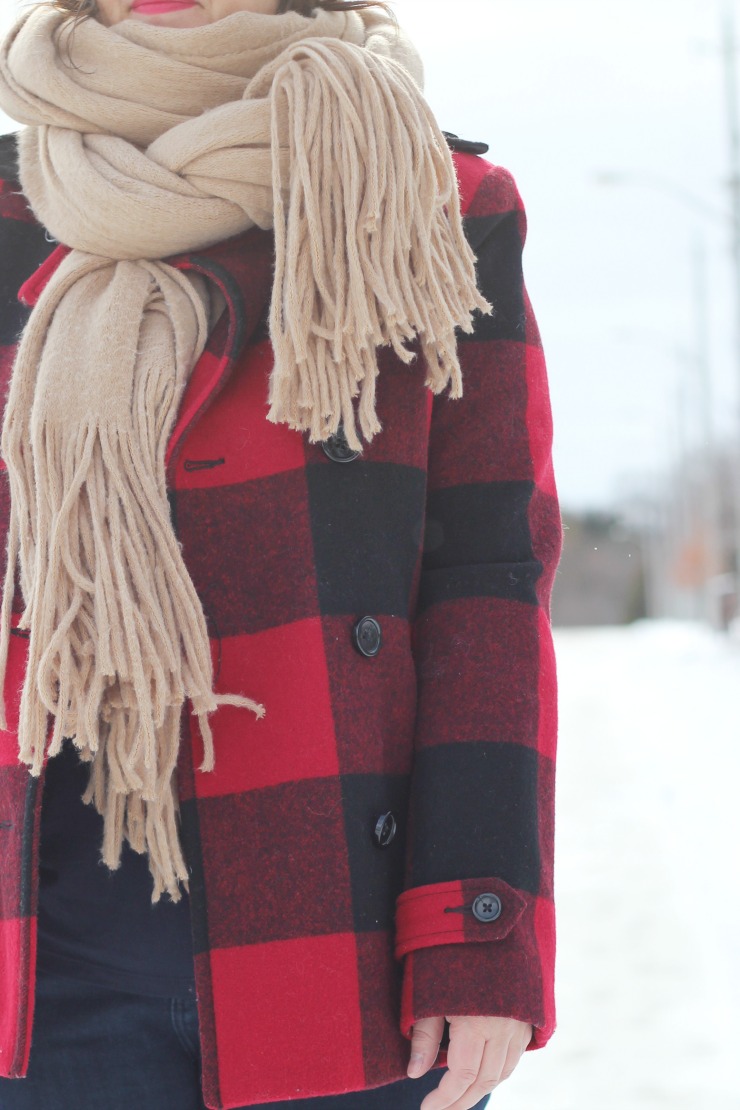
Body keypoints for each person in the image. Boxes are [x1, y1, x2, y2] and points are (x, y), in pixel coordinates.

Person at [0, 0, 562, 1107]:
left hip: (343, 962)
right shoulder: (15, 207)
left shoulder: (431, 201)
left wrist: (476, 931)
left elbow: (486, 584)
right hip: (37, 968)